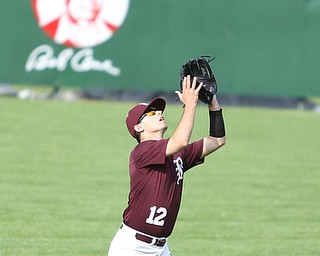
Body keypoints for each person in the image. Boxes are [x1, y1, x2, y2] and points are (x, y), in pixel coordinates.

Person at [107, 75, 226, 256]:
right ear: (138, 128)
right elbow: (180, 141)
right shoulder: (142, 152)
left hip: (161, 248)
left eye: (159, 110)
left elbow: (217, 140)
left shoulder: (179, 154)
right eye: (151, 113)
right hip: (132, 248)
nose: (159, 113)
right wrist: (191, 104)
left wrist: (213, 105)